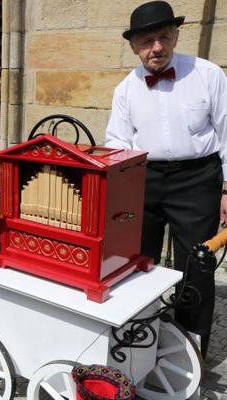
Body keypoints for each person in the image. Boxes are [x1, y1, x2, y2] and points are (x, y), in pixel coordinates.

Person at [105, 1, 227, 357]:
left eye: (163, 37)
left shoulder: (207, 74)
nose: (156, 47)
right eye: (146, 40)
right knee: (137, 260)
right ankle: (139, 337)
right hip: (144, 179)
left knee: (196, 264)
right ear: (133, 46)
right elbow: (117, 142)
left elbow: (226, 130)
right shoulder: (125, 89)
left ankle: (190, 347)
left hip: (198, 178)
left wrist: (226, 188)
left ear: (175, 36)